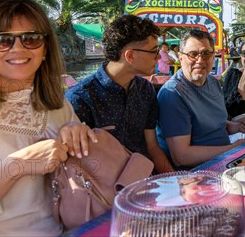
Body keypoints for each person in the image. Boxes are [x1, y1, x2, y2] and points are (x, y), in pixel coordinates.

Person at [0, 0, 94, 236]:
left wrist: (77, 135)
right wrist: (16, 165)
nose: (18, 48)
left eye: (31, 38)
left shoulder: (58, 106)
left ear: (45, 48)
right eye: (2, 40)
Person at [66, 15, 173, 174]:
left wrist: (175, 180)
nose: (158, 57)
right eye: (153, 51)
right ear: (130, 56)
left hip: (145, 177)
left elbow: (152, 146)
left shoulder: (145, 89)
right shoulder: (80, 98)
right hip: (103, 188)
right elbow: (76, 162)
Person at [156, 29, 245, 168]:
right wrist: (233, 149)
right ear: (180, 57)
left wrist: (238, 127)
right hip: (198, 173)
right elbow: (182, 156)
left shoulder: (213, 82)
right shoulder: (173, 94)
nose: (200, 60)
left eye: (205, 54)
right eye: (193, 54)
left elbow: (216, 124)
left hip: (226, 160)